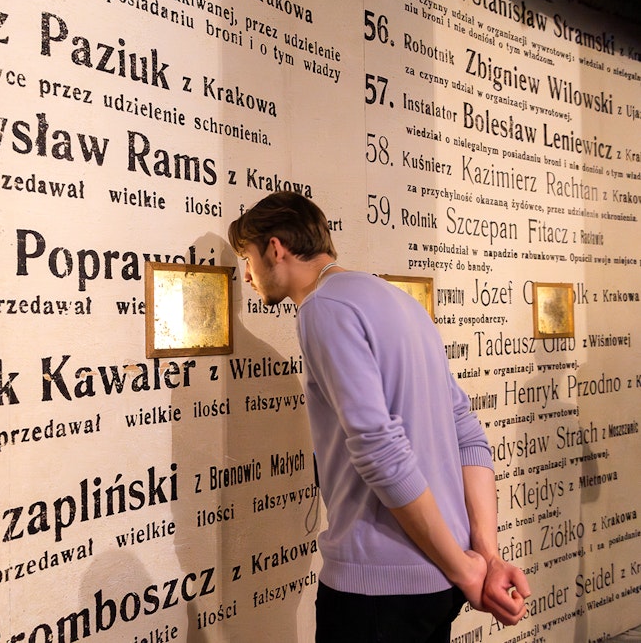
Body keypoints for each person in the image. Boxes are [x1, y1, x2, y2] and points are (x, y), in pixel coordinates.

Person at [228, 192, 531, 642]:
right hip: (436, 584)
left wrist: (466, 569)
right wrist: (483, 556)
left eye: (246, 260)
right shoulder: (401, 302)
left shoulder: (322, 308)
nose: (248, 277)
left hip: (379, 588)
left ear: (276, 248)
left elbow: (380, 451)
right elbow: (466, 432)